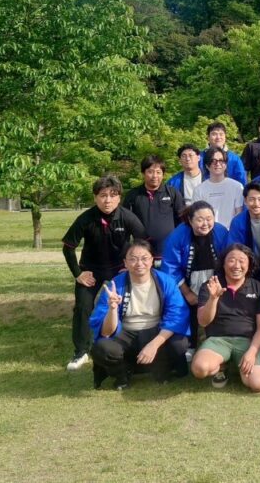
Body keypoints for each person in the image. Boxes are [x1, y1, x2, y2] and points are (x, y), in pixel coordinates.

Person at [61, 175, 146, 371]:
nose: (108, 200)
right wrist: (78, 274)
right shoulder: (85, 218)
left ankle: (127, 342)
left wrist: (130, 264)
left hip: (119, 268)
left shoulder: (127, 216)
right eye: (103, 195)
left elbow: (142, 241)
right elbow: (68, 247)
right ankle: (81, 351)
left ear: (119, 197)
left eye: (112, 195)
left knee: (129, 304)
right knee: (83, 306)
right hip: (91, 269)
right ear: (95, 197)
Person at [89, 241, 190, 390]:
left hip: (155, 330)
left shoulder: (165, 281)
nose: (139, 263)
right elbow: (106, 332)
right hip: (125, 333)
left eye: (144, 258)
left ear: (152, 260)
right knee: (102, 348)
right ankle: (122, 373)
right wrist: (112, 309)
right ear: (125, 262)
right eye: (133, 259)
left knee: (179, 343)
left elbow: (176, 317)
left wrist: (154, 345)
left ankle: (161, 367)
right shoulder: (115, 285)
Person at [190, 244, 260, 392]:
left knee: (258, 384)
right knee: (200, 369)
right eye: (232, 260)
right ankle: (222, 366)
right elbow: (203, 321)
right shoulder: (210, 286)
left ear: (249, 264)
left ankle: (243, 367)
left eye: (242, 261)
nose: (237, 266)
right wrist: (213, 298)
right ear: (223, 263)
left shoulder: (258, 288)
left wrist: (252, 352)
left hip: (248, 341)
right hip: (218, 340)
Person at [160, 201, 230, 355]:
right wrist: (187, 293)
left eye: (209, 219)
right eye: (200, 219)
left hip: (215, 283)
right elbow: (171, 267)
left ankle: (217, 342)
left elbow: (228, 258)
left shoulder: (221, 232)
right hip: (186, 284)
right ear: (190, 220)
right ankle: (190, 344)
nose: (205, 224)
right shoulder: (178, 235)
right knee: (187, 310)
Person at [123, 155, 184, 259]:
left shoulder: (172, 193)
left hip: (169, 252)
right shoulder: (133, 195)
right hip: (142, 254)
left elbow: (182, 220)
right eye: (150, 172)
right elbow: (125, 224)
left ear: (163, 174)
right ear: (143, 173)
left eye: (158, 172)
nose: (154, 176)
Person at [192, 146, 244, 228]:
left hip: (232, 232)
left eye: (221, 160)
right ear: (206, 165)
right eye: (213, 161)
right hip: (208, 231)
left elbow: (239, 214)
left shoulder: (237, 187)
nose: (218, 164)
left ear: (226, 164)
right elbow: (198, 216)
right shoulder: (199, 190)